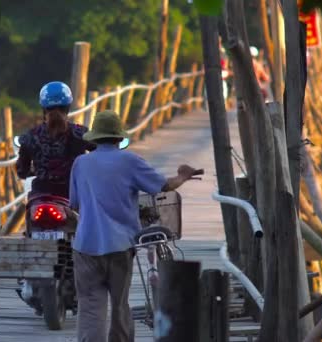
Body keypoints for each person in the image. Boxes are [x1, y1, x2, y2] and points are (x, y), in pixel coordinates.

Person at [69, 110, 197, 342]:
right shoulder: (129, 161)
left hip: (85, 245)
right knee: (119, 305)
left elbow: (75, 204)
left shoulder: (80, 163)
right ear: (119, 138)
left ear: (94, 138)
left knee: (90, 308)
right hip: (120, 246)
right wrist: (183, 176)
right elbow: (164, 186)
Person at [16, 81, 96, 199]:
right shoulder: (80, 133)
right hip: (72, 195)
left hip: (40, 195)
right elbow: (101, 153)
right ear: (68, 107)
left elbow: (22, 171)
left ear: (43, 108)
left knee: (29, 214)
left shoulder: (31, 135)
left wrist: (35, 170)